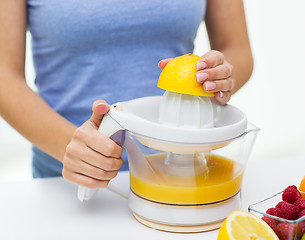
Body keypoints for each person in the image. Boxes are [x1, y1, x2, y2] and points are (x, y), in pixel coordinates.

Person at [0, 0, 253, 189]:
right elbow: (4, 77)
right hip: (66, 185)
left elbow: (237, 50)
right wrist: (74, 148)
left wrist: (216, 77)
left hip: (183, 177)